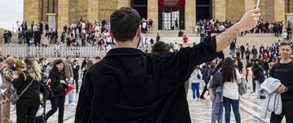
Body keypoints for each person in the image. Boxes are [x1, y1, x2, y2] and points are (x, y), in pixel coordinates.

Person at [75, 7, 260, 123]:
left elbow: (82, 117)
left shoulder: (94, 73)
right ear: (140, 31)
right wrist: (240, 26)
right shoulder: (161, 65)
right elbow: (205, 49)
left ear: (111, 34)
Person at [269, 42, 293, 123]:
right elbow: (269, 83)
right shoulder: (274, 67)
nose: (285, 51)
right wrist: (274, 88)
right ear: (279, 51)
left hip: (291, 101)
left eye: (287, 50)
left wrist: (287, 88)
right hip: (277, 100)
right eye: (283, 49)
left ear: (290, 51)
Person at [12, 57, 42, 123]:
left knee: (21, 119)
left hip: (24, 99)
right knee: (31, 119)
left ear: (27, 64)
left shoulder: (24, 74)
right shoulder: (37, 74)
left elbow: (16, 85)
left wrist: (14, 79)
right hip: (35, 99)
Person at [221, 57, 242, 123]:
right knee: (236, 111)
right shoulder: (235, 71)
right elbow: (239, 81)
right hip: (234, 93)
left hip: (225, 93)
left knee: (227, 111)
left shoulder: (222, 71)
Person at [0, 57, 16, 123]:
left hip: (2, 89)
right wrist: (14, 77)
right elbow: (9, 77)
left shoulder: (3, 67)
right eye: (13, 63)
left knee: (1, 104)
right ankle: (5, 120)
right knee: (6, 105)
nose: (14, 65)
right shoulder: (7, 69)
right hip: (6, 89)